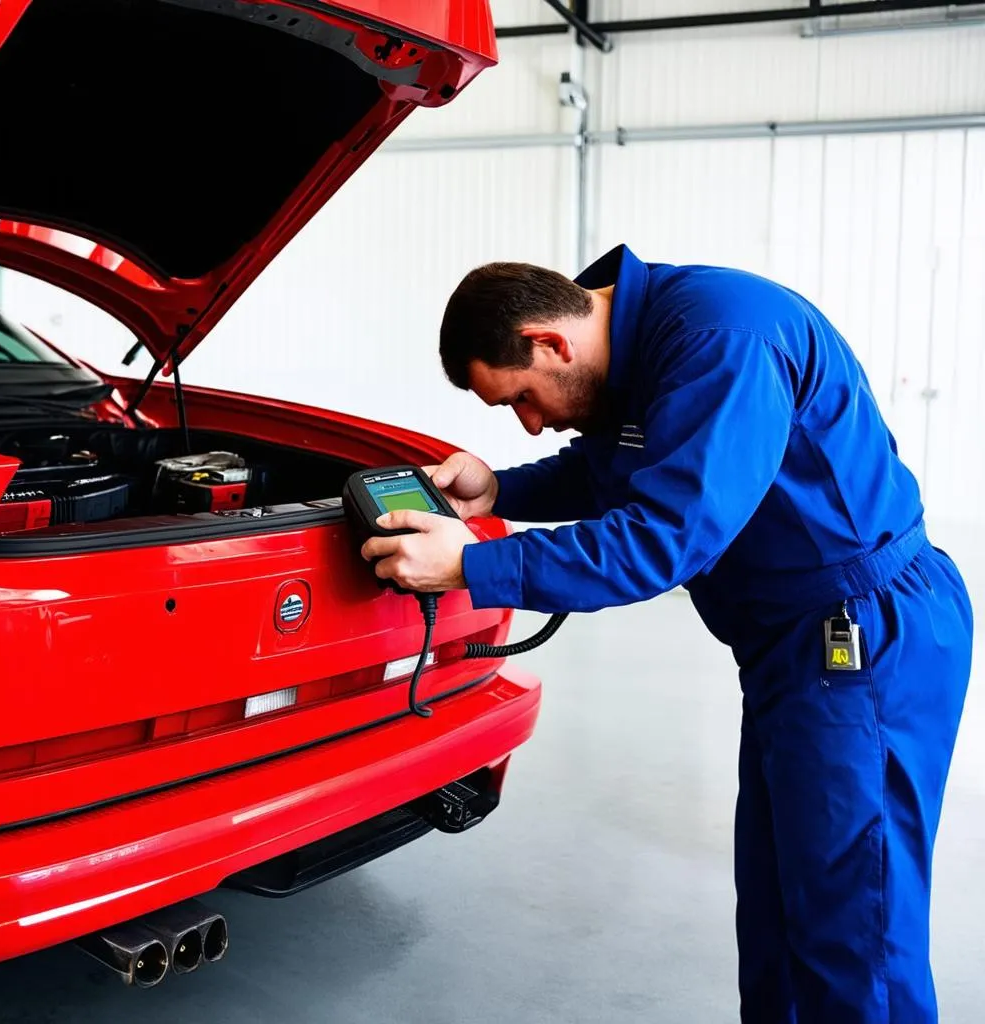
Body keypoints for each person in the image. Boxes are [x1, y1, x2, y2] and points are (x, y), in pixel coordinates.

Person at [359, 244, 973, 1023]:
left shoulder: (723, 341)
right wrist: (497, 492)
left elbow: (666, 537)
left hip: (866, 639)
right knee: (785, 911)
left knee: (857, 930)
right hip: (796, 650)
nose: (533, 422)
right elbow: (614, 467)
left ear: (552, 342)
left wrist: (476, 564)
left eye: (523, 398)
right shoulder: (638, 345)